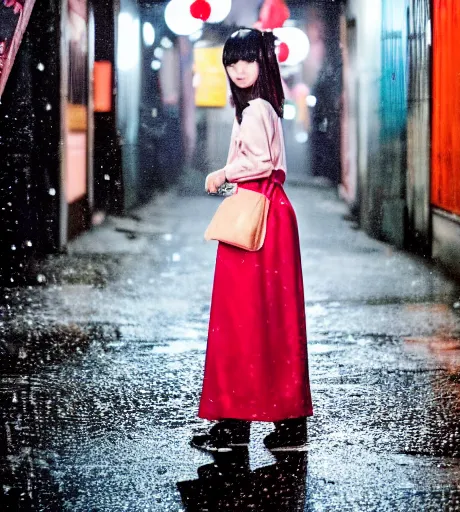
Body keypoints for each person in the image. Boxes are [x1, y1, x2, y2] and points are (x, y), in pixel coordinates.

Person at [192, 28, 313, 452]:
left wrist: (223, 174)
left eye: (247, 60)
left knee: (240, 321)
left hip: (258, 215)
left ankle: (234, 423)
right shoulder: (262, 108)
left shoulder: (257, 108)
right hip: (270, 213)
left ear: (263, 64)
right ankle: (284, 421)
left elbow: (260, 161)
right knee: (273, 321)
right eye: (231, 61)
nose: (238, 69)